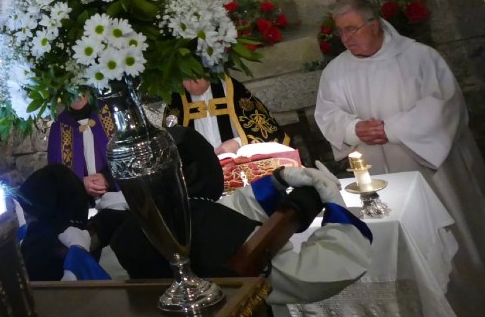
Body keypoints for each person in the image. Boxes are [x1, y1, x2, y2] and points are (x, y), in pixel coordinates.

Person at [314, 0, 485, 307]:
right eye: (341, 31)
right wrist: (353, 129)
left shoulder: (420, 57)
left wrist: (391, 129)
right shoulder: (336, 72)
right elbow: (328, 113)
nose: (346, 38)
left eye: (352, 29)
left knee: (452, 238)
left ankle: (469, 302)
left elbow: (443, 106)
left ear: (375, 24)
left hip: (430, 168)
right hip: (378, 174)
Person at [111, 126, 373, 312]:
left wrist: (277, 181)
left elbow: (226, 209)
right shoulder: (210, 224)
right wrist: (337, 209)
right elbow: (308, 276)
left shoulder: (129, 229)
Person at [45, 95, 129, 255]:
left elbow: (130, 156)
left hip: (120, 197)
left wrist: (108, 179)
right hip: (83, 207)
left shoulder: (111, 112)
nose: (76, 96)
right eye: (70, 91)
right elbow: (56, 176)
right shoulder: (59, 126)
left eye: (80, 89)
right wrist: (79, 183)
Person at [163, 74, 289, 155]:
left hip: (240, 165)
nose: (191, 84)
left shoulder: (232, 90)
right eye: (185, 77)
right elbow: (167, 149)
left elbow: (268, 133)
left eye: (196, 74)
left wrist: (238, 143)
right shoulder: (176, 103)